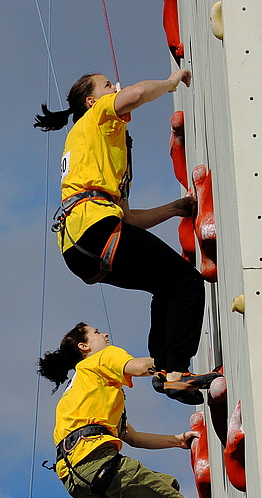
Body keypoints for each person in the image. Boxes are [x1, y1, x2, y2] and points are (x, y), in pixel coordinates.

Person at [34, 69, 216, 405]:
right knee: (185, 282)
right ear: (92, 100)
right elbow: (136, 93)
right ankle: (175, 371)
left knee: (166, 286)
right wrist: (172, 83)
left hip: (81, 244)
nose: (115, 88)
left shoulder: (96, 152)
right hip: (94, 231)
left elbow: (128, 219)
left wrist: (175, 208)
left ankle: (164, 368)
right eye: (107, 86)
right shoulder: (95, 117)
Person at [38, 321, 217, 498]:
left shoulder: (86, 389)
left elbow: (130, 436)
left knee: (165, 487)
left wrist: (177, 441)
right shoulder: (100, 359)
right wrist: (173, 361)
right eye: (96, 333)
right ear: (85, 346)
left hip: (77, 476)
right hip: (97, 461)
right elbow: (139, 366)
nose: (105, 335)